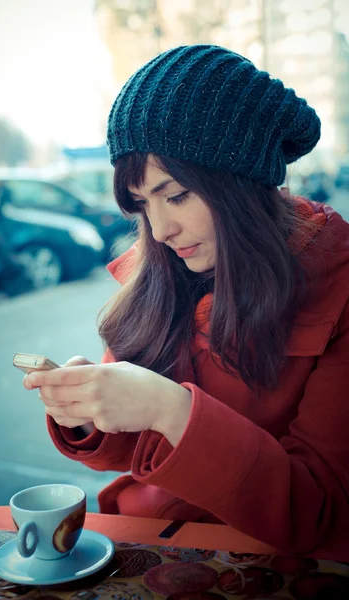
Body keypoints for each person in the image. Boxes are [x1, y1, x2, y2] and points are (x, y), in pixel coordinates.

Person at [23, 45, 349, 560]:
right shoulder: (161, 268)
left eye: (174, 195)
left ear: (241, 181)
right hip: (146, 538)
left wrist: (170, 409)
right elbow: (137, 449)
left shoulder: (339, 281)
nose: (160, 228)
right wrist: (90, 412)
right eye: (141, 204)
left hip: (268, 558)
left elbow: (323, 511)